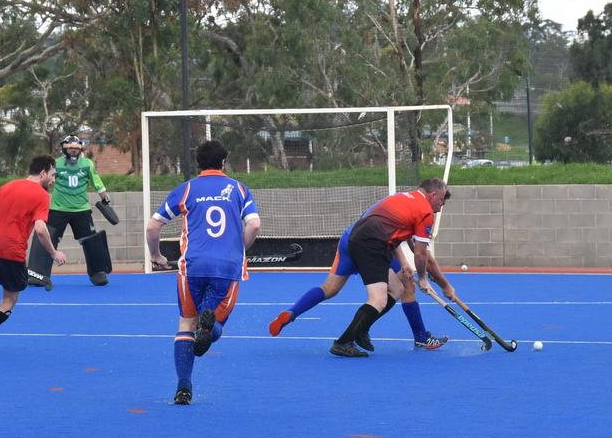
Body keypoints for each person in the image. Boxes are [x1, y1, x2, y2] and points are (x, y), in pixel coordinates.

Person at [145, 139, 261, 405]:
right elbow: (254, 225)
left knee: (186, 323)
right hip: (227, 268)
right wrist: (238, 249)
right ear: (223, 162)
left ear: (198, 164)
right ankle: (210, 329)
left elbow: (153, 227)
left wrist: (156, 255)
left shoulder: (185, 190)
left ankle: (183, 388)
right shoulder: (238, 189)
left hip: (191, 266)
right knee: (214, 325)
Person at [268, 211, 451, 351]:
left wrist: (414, 268)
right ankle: (418, 336)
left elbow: (402, 243)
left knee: (329, 288)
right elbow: (418, 251)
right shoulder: (416, 214)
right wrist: (438, 282)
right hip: (371, 248)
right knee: (403, 286)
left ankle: (292, 313)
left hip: (348, 242)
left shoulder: (393, 209)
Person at [328, 178, 450, 358]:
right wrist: (425, 279)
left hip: (366, 239)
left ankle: (362, 329)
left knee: (397, 288)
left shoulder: (405, 198)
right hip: (371, 244)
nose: (440, 207)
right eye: (440, 201)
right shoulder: (425, 211)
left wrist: (405, 264)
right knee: (378, 299)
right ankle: (343, 342)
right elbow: (421, 254)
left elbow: (407, 237)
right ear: (433, 195)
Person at [0, 155, 67, 353]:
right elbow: (40, 229)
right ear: (43, 173)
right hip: (12, 251)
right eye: (53, 175)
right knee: (9, 300)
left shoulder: (7, 186)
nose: (54, 180)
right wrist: (53, 253)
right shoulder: (43, 196)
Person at [27, 134, 112, 289]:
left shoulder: (87, 164)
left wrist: (105, 197)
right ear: (64, 149)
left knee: (91, 240)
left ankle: (98, 273)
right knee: (47, 238)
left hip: (82, 210)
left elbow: (96, 181)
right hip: (57, 209)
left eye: (76, 149)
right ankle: (37, 274)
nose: (73, 151)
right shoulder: (56, 164)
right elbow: (44, 180)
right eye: (70, 149)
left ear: (80, 149)